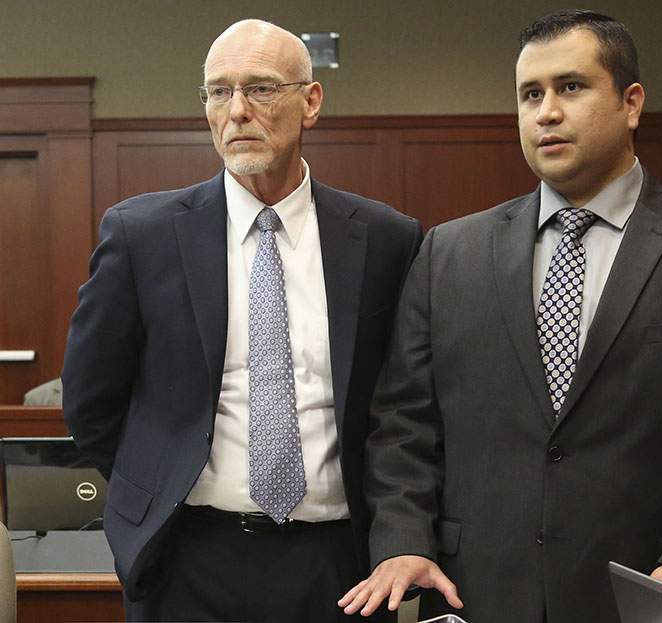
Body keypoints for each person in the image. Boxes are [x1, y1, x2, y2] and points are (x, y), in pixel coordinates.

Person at [339, 9, 662, 623]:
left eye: (571, 87)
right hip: (480, 595)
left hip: (656, 594)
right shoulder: (447, 252)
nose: (546, 113)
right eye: (530, 94)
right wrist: (401, 538)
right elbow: (404, 421)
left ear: (632, 102)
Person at [62, 19, 422, 623]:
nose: (236, 111)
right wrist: (150, 486)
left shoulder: (386, 239)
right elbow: (91, 400)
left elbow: (404, 406)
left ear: (310, 102)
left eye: (260, 89)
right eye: (217, 91)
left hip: (336, 565)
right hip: (186, 558)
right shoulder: (141, 234)